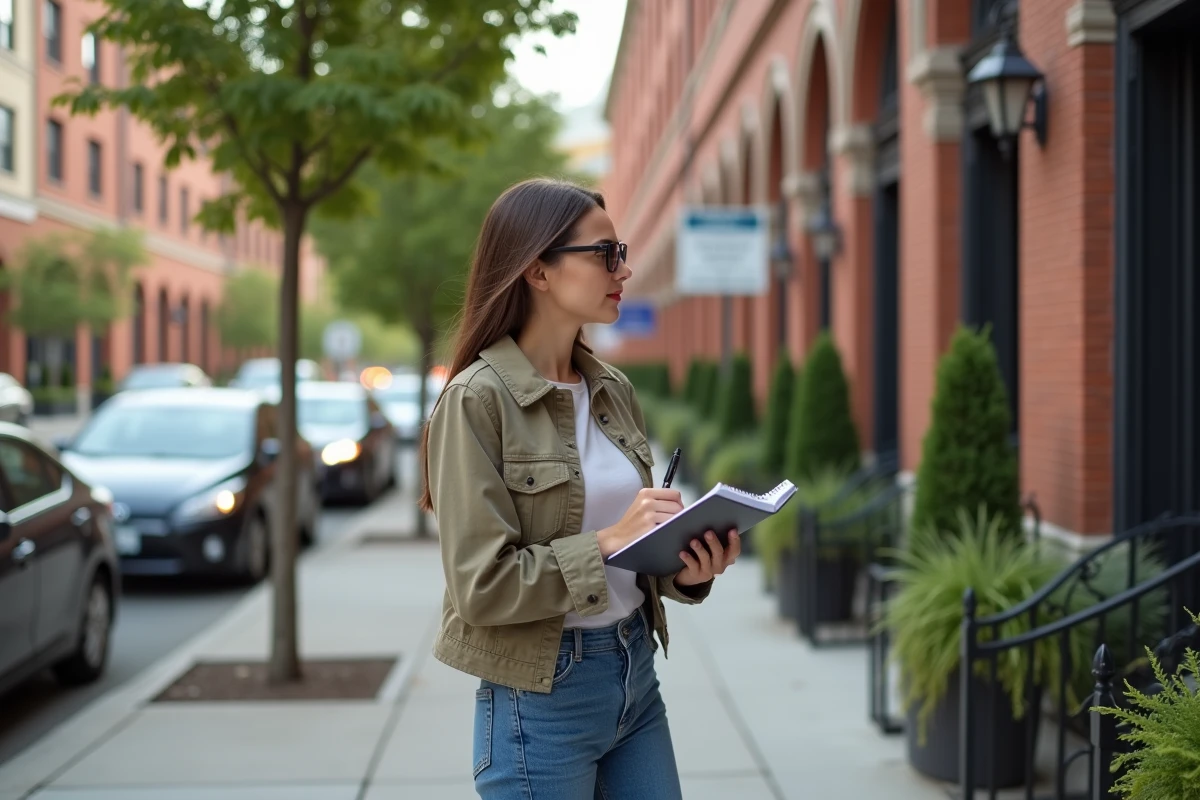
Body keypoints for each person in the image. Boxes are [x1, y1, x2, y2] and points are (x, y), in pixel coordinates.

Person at [419, 178, 741, 799]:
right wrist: (606, 541)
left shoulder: (612, 388)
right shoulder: (475, 401)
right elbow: (480, 586)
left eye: (619, 250)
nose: (623, 267)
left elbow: (632, 557)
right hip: (541, 699)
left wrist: (689, 566)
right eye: (604, 253)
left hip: (634, 675)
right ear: (538, 270)